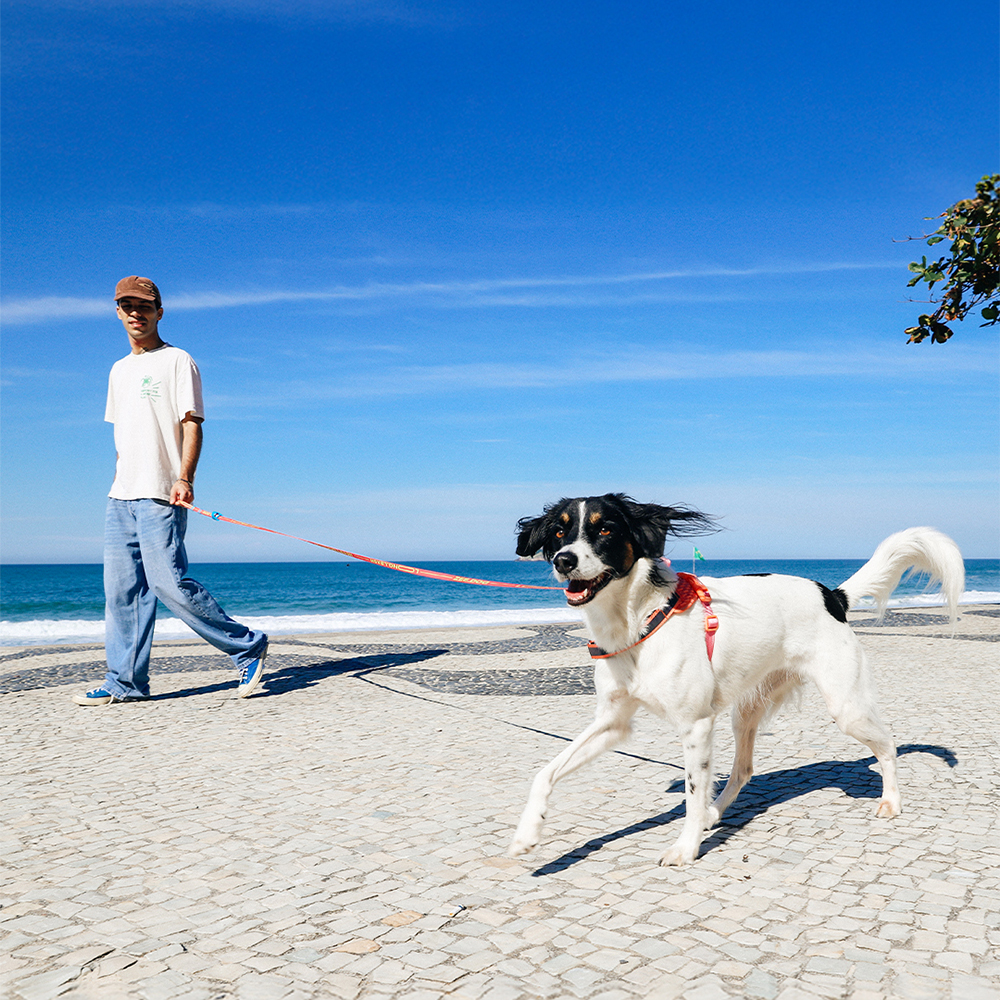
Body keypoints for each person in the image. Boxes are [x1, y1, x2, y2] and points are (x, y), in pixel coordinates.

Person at [74, 276, 268, 705]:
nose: (135, 313)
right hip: (120, 495)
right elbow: (126, 435)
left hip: (163, 491)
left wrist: (185, 478)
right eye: (126, 306)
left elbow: (191, 422)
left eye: (144, 306)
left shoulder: (178, 361)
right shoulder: (118, 370)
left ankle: (247, 646)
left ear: (159, 312)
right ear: (118, 312)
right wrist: (118, 482)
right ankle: (124, 681)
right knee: (122, 594)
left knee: (168, 584)